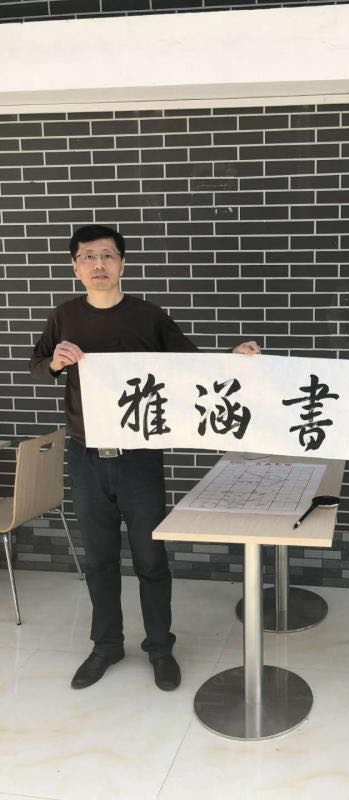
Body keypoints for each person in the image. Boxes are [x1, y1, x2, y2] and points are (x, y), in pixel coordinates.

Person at [30, 224, 260, 692]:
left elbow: (193, 366)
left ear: (123, 264)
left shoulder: (148, 316)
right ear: (75, 267)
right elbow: (37, 364)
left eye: (107, 255)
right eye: (88, 257)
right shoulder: (64, 317)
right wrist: (55, 362)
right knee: (99, 559)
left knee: (151, 557)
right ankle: (106, 645)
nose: (98, 264)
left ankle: (160, 647)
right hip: (85, 456)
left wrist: (233, 358)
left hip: (139, 457)